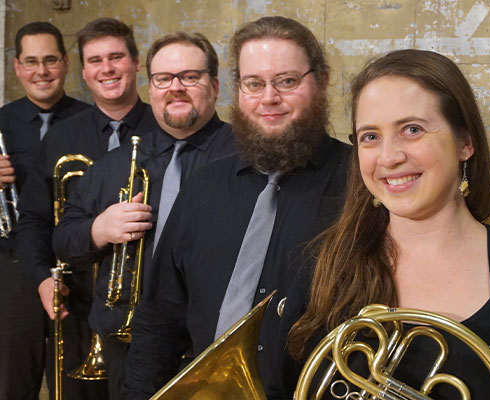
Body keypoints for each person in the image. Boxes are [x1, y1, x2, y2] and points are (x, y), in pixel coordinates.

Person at [267, 49, 490, 400]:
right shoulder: (324, 266)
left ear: (465, 142)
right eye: (370, 136)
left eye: (412, 129)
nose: (389, 157)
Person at [124, 16, 351, 398]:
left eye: (287, 81)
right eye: (254, 83)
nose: (269, 98)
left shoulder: (360, 183)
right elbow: (159, 322)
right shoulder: (202, 186)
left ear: (322, 81)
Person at [52, 31, 236, 399]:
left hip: (216, 346)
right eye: (164, 79)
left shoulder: (245, 158)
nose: (176, 88)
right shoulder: (116, 163)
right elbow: (62, 241)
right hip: (130, 348)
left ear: (215, 85)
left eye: (190, 76)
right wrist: (99, 229)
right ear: (150, 87)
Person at [17, 18, 157, 399]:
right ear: (84, 70)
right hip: (76, 311)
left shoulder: (164, 131)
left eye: (116, 57)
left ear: (136, 62)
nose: (106, 68)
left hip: (148, 315)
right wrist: (42, 278)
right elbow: (33, 220)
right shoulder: (61, 137)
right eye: (95, 60)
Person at [0, 21, 90, 400]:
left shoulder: (91, 120)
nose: (41, 71)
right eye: (31, 62)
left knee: (72, 380)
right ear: (17, 66)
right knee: (13, 377)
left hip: (78, 267)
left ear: (66, 63)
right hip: (14, 267)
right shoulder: (1, 122)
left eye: (50, 60)